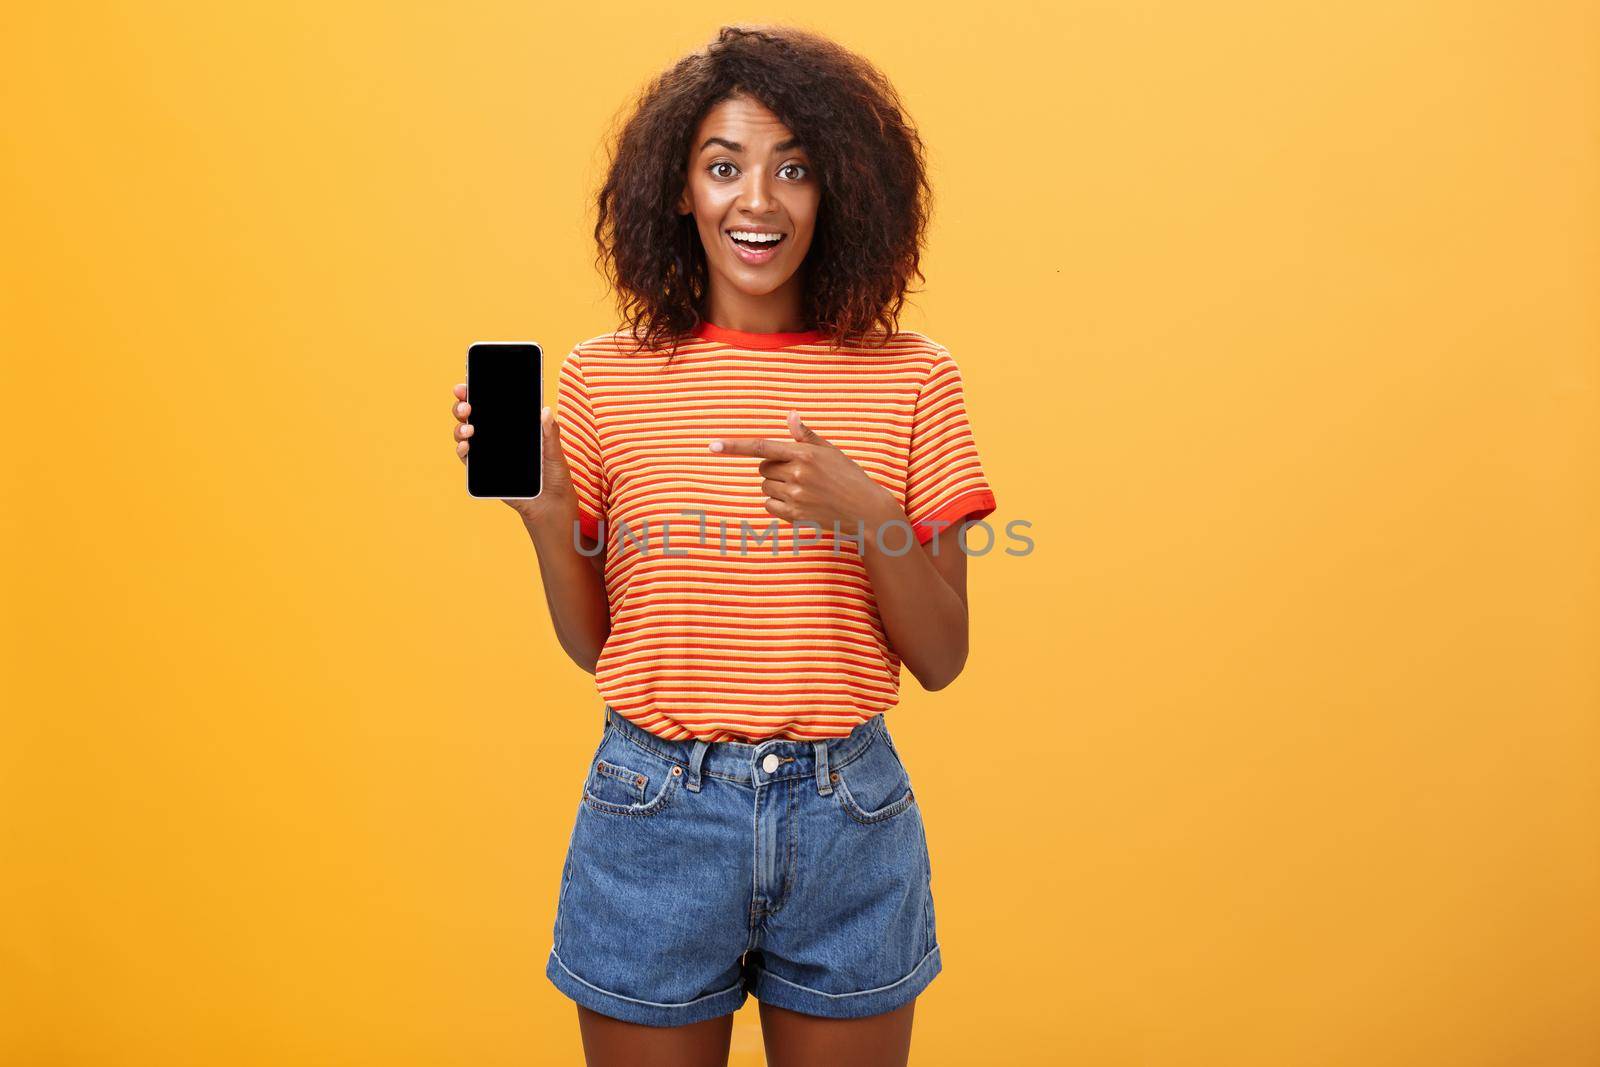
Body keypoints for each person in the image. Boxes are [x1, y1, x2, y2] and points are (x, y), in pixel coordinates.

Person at [450, 24, 996, 1067]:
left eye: (794, 167)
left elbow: (943, 656)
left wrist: (867, 511)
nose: (758, 200)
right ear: (678, 192)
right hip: (653, 807)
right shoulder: (604, 379)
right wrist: (545, 516)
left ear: (838, 189)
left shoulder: (913, 378)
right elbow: (596, 643)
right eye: (723, 166)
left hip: (847, 816)